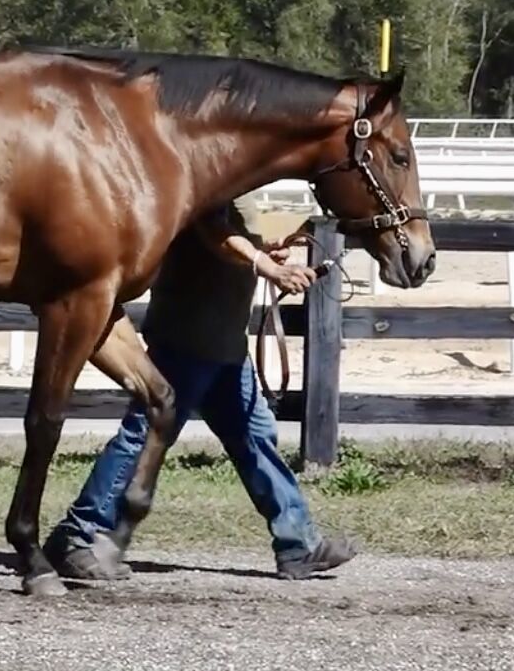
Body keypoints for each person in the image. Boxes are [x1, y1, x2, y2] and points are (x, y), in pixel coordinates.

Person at [43, 191, 358, 581]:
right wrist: (265, 266)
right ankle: (77, 535)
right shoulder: (208, 180)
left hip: (226, 345)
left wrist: (264, 251)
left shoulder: (241, 183)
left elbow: (234, 242)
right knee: (143, 437)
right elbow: (213, 231)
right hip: (187, 339)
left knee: (256, 439)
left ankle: (298, 545)